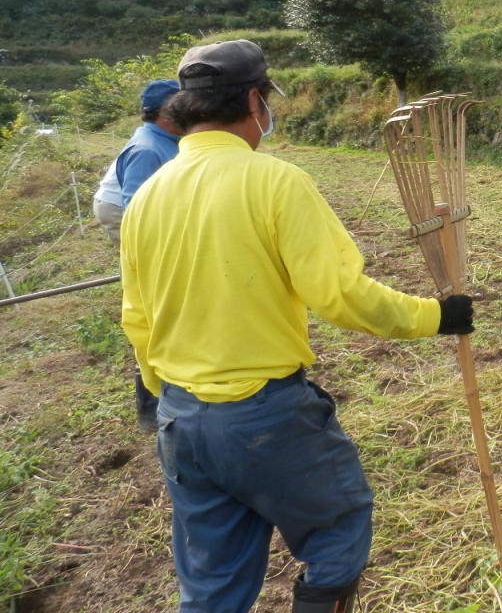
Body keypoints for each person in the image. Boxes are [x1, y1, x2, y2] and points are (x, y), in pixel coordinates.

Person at [119, 38, 474, 613]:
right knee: (337, 532)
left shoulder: (148, 196)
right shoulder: (275, 182)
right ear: (256, 101)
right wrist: (437, 315)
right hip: (262, 415)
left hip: (180, 421)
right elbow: (340, 296)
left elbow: (135, 318)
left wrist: (170, 400)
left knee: (211, 587)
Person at [91, 78, 182, 434]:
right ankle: (151, 403)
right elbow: (138, 210)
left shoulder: (166, 139)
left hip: (134, 211)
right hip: (121, 213)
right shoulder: (148, 148)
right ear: (166, 114)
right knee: (155, 301)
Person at [92, 79, 182, 245]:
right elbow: (135, 204)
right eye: (183, 107)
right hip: (117, 208)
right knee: (143, 255)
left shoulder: (162, 139)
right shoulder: (147, 150)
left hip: (125, 204)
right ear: (165, 113)